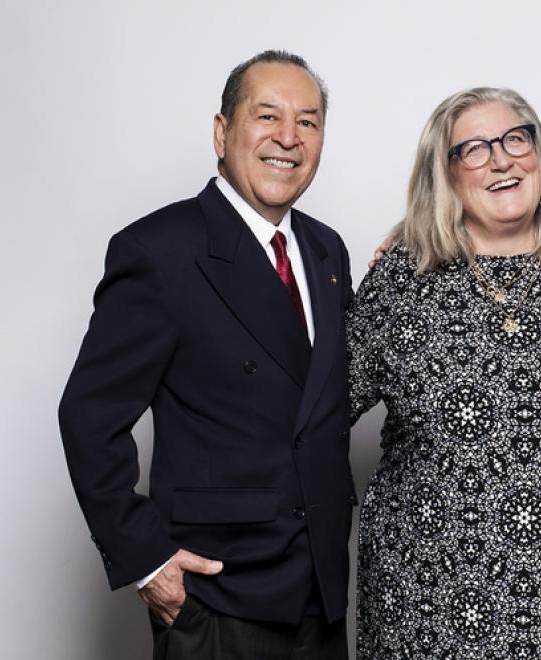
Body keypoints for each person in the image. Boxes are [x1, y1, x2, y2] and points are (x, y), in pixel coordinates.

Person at [59, 50, 353, 660]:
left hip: (320, 589)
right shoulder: (161, 250)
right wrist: (146, 560)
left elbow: (325, 395)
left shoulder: (327, 253)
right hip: (217, 595)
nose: (288, 138)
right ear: (222, 133)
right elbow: (89, 415)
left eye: (309, 121)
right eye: (266, 115)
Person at [347, 87, 541, 658]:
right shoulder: (404, 279)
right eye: (474, 150)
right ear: (446, 174)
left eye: (514, 139)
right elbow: (312, 414)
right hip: (426, 609)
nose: (502, 160)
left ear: (538, 152)